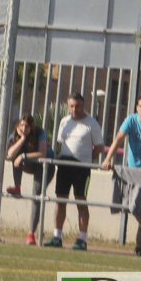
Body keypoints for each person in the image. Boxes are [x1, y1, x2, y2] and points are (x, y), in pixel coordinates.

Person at [100, 94, 141, 257]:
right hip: (132, 172)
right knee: (137, 209)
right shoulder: (130, 120)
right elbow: (118, 139)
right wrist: (108, 159)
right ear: (136, 107)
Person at [43, 93, 105, 250]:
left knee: (80, 201)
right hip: (64, 165)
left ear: (83, 105)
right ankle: (57, 236)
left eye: (77, 105)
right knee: (61, 200)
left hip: (81, 168)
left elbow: (98, 147)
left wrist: (86, 160)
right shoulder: (64, 121)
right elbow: (60, 142)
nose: (74, 109)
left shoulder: (92, 124)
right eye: (71, 106)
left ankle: (82, 239)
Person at [5, 114, 56, 245]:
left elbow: (42, 154)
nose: (23, 128)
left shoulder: (39, 132)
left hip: (45, 166)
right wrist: (22, 139)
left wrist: (23, 156)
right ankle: (17, 186)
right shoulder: (15, 135)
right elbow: (10, 154)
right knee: (15, 157)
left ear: (31, 127)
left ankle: (31, 233)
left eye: (26, 126)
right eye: (21, 125)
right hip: (30, 163)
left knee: (36, 195)